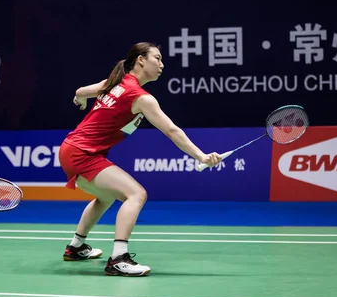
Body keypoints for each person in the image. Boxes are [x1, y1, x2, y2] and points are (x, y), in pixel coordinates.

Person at [59, 42, 222, 276]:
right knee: (136, 194)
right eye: (157, 58)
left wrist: (80, 99)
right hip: (82, 153)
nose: (162, 64)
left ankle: (75, 247)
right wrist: (202, 156)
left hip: (71, 149)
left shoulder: (116, 83)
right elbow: (172, 131)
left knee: (105, 197)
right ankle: (118, 258)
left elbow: (82, 90)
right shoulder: (141, 97)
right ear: (141, 60)